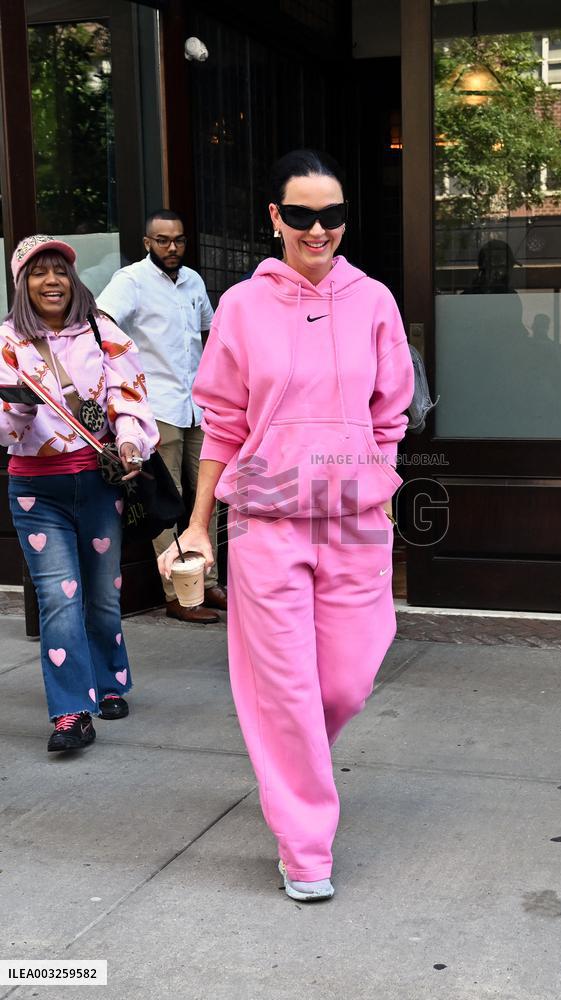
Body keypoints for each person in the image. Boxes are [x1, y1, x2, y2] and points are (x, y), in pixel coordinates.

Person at [159, 150, 414, 901]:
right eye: (300, 215)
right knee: (285, 688)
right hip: (267, 511)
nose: (317, 229)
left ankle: (289, 764)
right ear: (275, 218)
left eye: (330, 215)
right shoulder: (241, 305)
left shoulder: (374, 302)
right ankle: (305, 848)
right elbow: (224, 425)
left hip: (355, 516)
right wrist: (201, 526)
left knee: (344, 683)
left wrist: (382, 492)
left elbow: (389, 413)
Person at [0, 234, 159, 752]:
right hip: (34, 490)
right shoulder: (6, 343)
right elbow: (4, 429)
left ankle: (110, 679)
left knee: (102, 596)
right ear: (22, 283)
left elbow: (128, 396)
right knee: (58, 600)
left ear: (73, 279)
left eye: (60, 272)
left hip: (97, 482)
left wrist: (132, 443)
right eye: (39, 273)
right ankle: (72, 711)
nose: (52, 281)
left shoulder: (102, 331)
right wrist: (18, 409)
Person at [97, 210, 227, 624]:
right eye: (163, 240)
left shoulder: (193, 281)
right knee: (165, 504)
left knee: (212, 496)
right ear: (147, 242)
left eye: (179, 240)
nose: (172, 248)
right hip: (158, 409)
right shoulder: (131, 281)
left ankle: (208, 582)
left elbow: (208, 332)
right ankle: (179, 594)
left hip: (198, 406)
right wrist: (125, 383)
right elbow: (101, 326)